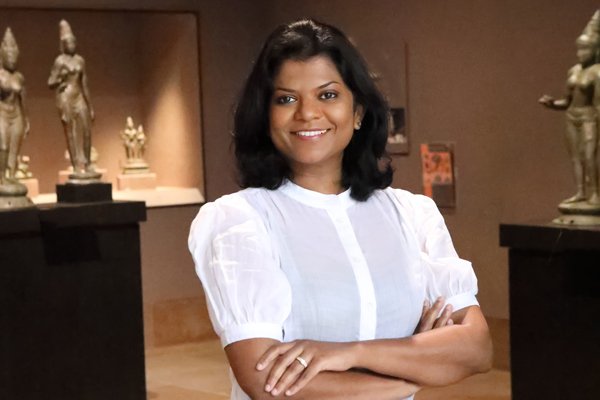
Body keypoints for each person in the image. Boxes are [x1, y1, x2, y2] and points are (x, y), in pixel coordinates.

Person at [189, 19, 492, 400]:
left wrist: (349, 354)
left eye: (328, 95)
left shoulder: (413, 215)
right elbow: (265, 382)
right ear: (266, 118)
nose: (308, 114)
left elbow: (477, 349)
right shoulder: (239, 220)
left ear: (359, 111)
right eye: (286, 99)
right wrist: (415, 371)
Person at [539, 9, 600, 206]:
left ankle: (595, 194)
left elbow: (597, 103)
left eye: (586, 50)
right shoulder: (573, 71)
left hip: (589, 117)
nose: (581, 54)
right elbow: (567, 101)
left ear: (595, 50)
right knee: (576, 158)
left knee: (589, 156)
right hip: (572, 117)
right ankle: (581, 192)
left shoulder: (597, 73)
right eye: (579, 50)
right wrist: (552, 104)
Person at [48, 19, 99, 180]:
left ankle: (88, 164)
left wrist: (90, 106)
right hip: (66, 97)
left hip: (78, 96)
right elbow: (50, 82)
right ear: (63, 44)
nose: (71, 45)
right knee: (70, 132)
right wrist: (61, 79)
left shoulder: (80, 60)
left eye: (73, 42)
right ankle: (76, 166)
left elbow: (84, 84)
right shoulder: (60, 61)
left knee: (86, 130)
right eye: (68, 42)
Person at [0, 27, 29, 194]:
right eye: (8, 56)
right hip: (2, 114)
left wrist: (27, 120)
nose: (12, 60)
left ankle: (12, 176)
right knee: (3, 145)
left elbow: (23, 99)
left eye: (14, 57)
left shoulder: (19, 77)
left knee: (14, 147)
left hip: (16, 114)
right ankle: (2, 177)